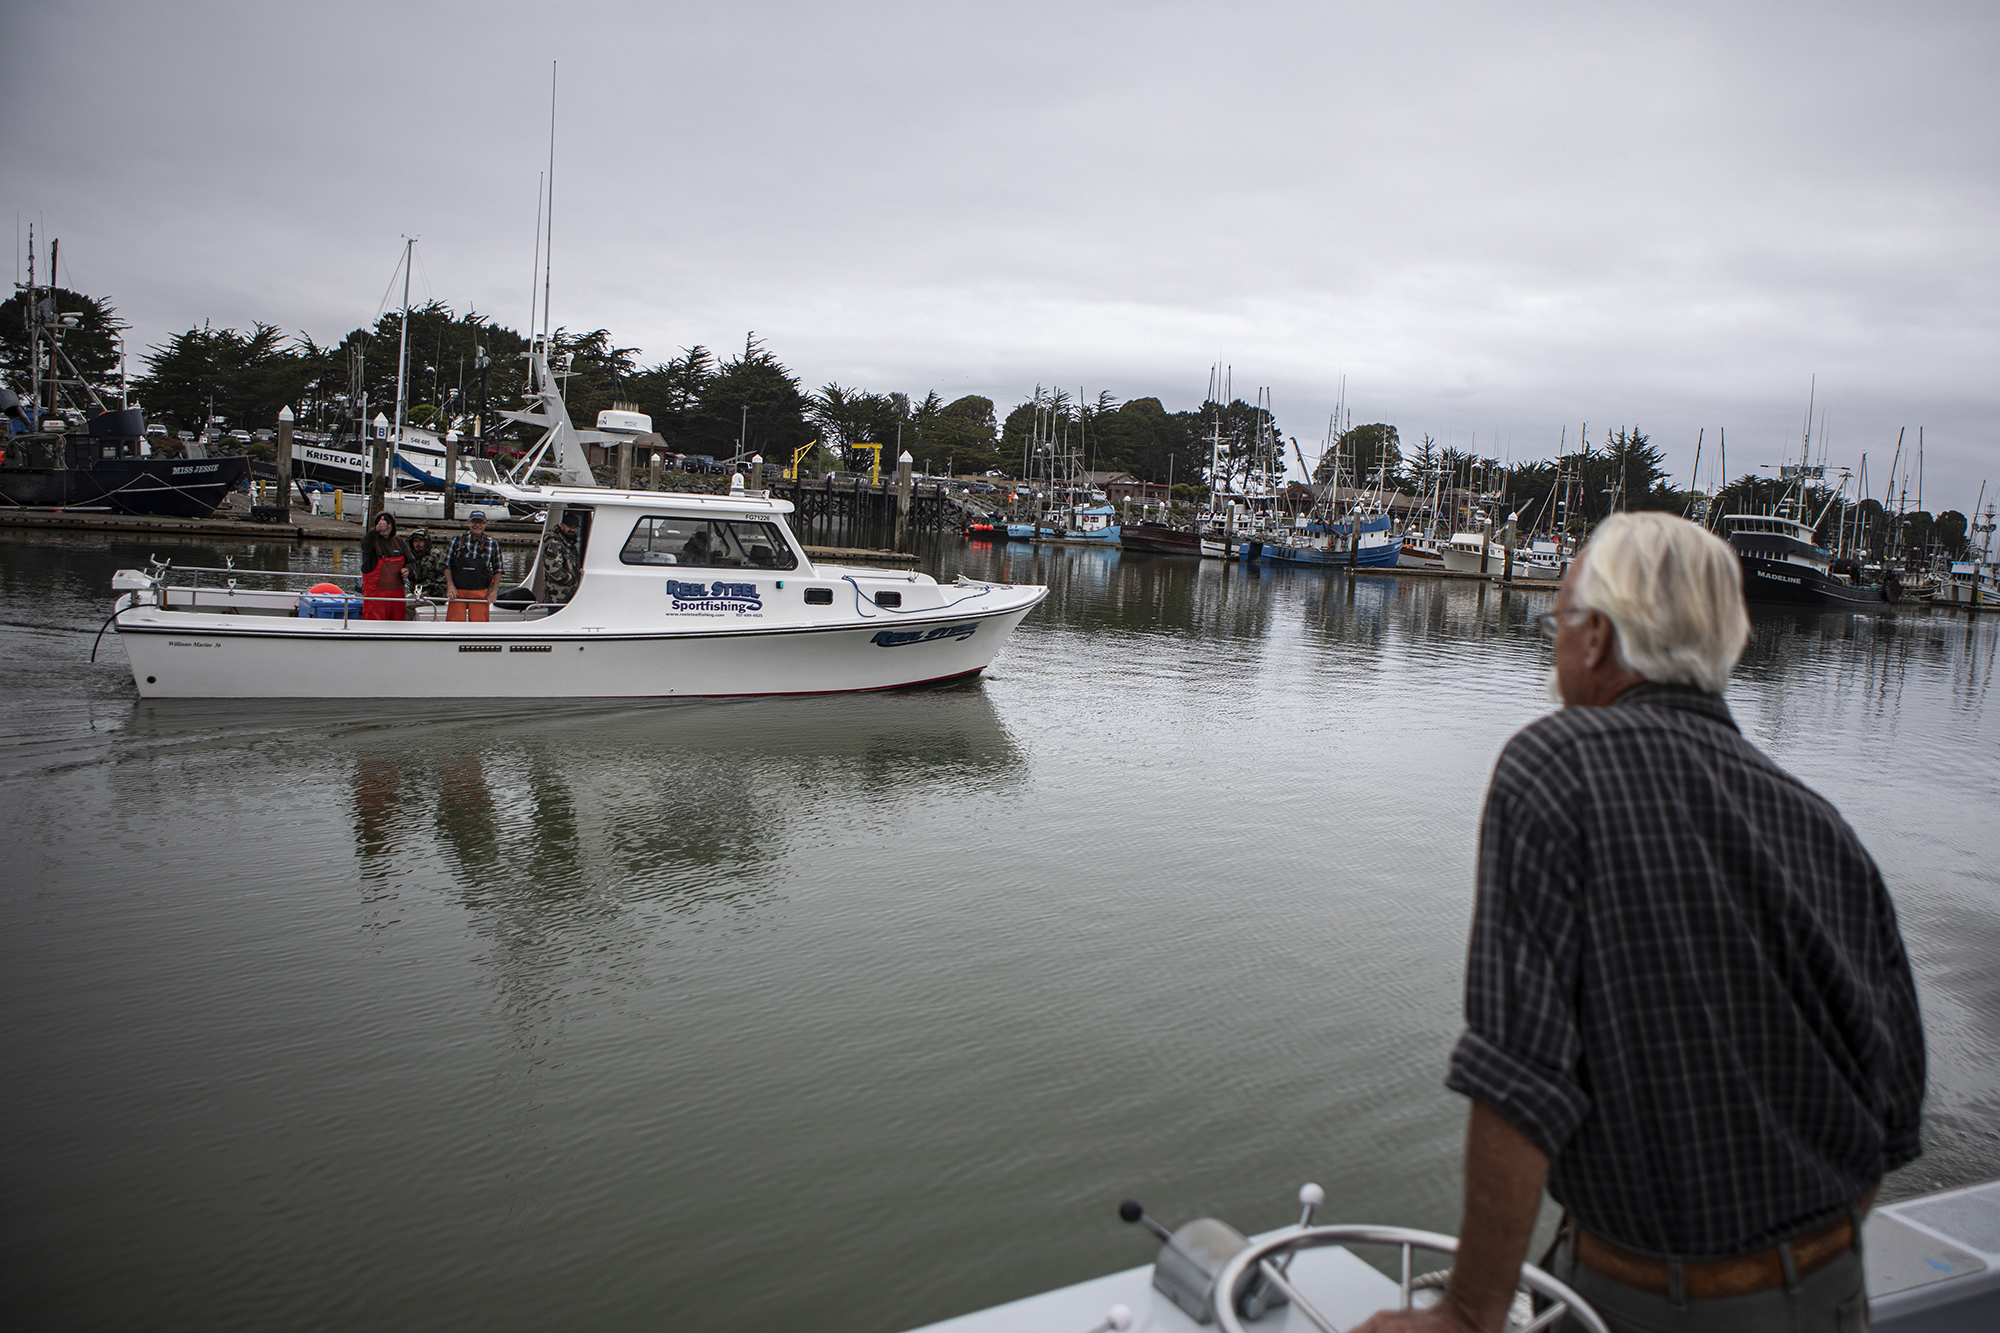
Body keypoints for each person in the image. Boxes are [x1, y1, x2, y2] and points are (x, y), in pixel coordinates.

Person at [1355, 513, 1923, 1333]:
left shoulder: (1556, 766)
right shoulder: (1825, 827)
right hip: (1834, 1294)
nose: (1555, 646)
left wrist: (1469, 1313)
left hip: (1645, 1303)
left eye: (1557, 619)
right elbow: (1894, 1111)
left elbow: (1521, 1073)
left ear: (1594, 638)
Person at [446, 511, 503, 622]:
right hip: (457, 593)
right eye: (474, 522)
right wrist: (450, 585)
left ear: (485, 524)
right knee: (453, 625)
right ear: (468, 523)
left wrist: (494, 591)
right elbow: (446, 564)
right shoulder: (456, 540)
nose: (477, 525)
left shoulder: (493, 543)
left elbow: (498, 569)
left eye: (481, 522)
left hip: (480, 594)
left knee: (480, 627)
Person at [358, 511, 410, 621]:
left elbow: (411, 562)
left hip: (397, 600)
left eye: (388, 523)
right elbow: (364, 545)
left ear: (393, 525)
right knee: (374, 629)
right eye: (381, 523)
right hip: (376, 601)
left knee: (399, 628)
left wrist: (407, 569)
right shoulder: (371, 543)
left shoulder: (399, 542)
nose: (385, 526)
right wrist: (375, 531)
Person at [543, 511, 582, 605]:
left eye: (575, 527)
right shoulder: (554, 543)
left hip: (569, 597)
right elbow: (554, 570)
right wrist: (573, 580)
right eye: (570, 527)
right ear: (561, 526)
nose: (572, 530)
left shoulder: (569, 543)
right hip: (557, 598)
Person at [404, 527, 447, 607]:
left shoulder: (436, 555)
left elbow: (444, 578)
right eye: (415, 541)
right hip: (416, 594)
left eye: (420, 541)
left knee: (407, 606)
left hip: (435, 596)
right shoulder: (411, 558)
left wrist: (430, 592)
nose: (418, 544)